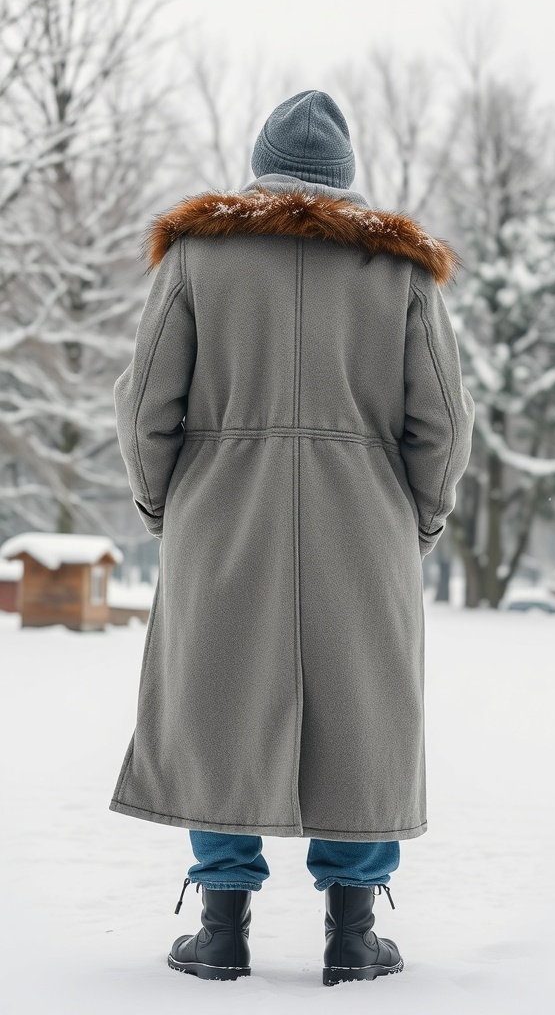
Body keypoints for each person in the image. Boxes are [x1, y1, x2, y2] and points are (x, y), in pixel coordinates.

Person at [110, 89, 475, 986]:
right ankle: (353, 933)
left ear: (257, 164)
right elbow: (444, 421)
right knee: (365, 706)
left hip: (219, 510)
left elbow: (146, 401)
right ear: (344, 180)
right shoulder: (400, 273)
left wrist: (166, 506)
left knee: (216, 696)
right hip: (368, 515)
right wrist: (418, 516)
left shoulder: (199, 256)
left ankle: (222, 925)